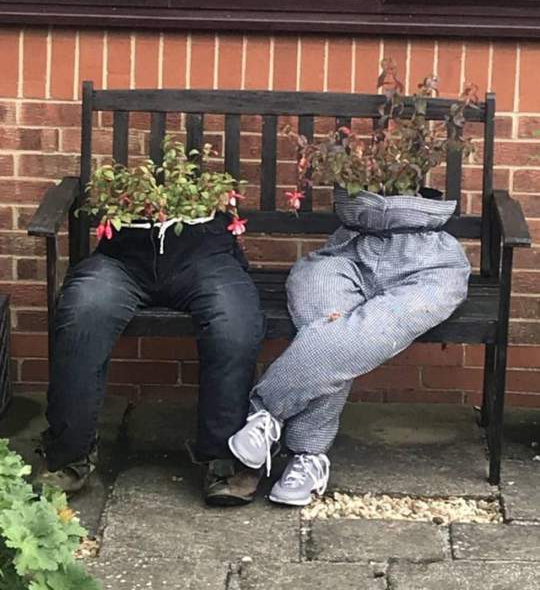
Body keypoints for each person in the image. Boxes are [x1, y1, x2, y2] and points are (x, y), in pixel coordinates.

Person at [228, 189, 471, 506]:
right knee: (327, 320)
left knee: (369, 328)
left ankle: (268, 414)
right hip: (346, 254)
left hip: (430, 268)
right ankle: (309, 455)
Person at [36, 212, 266, 506]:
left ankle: (225, 458)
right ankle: (69, 454)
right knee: (82, 314)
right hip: (122, 257)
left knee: (234, 326)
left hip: (205, 256)